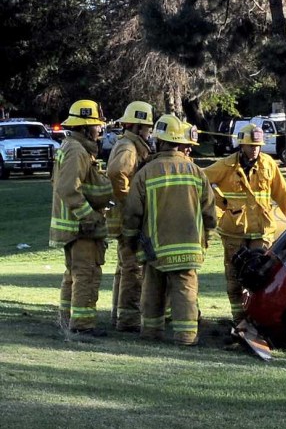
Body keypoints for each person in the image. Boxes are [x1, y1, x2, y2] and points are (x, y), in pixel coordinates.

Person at [123, 114, 216, 345]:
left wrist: (130, 239)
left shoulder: (145, 173)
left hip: (155, 247)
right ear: (182, 143)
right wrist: (207, 236)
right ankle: (185, 337)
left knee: (152, 289)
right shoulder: (196, 172)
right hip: (189, 246)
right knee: (185, 292)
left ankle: (151, 333)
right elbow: (209, 211)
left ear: (159, 141)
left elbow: (133, 212)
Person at [204, 123, 286, 324]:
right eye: (251, 145)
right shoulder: (226, 165)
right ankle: (239, 319)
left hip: (261, 232)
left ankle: (256, 318)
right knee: (234, 280)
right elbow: (200, 180)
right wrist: (220, 201)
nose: (255, 149)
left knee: (262, 277)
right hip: (234, 233)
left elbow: (282, 193)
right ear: (242, 145)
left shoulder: (268, 164)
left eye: (258, 145)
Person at [49, 99, 113, 336]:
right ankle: (83, 326)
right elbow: (68, 188)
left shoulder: (73, 146)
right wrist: (89, 217)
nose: (99, 130)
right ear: (85, 127)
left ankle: (67, 320)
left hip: (74, 227)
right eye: (96, 126)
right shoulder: (77, 150)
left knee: (73, 275)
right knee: (86, 275)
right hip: (80, 227)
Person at [106, 101, 155, 331]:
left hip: (124, 216)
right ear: (137, 127)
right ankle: (128, 321)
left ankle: (120, 317)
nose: (150, 132)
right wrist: (130, 202)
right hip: (128, 218)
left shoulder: (129, 144)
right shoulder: (129, 148)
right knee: (133, 269)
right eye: (147, 127)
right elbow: (117, 174)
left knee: (125, 267)